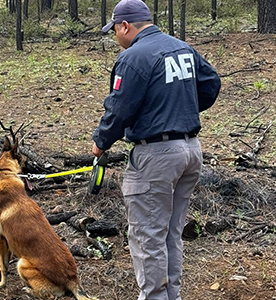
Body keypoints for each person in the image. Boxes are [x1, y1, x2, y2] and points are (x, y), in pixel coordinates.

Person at [91, 0, 221, 299]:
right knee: (170, 233)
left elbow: (120, 108)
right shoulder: (181, 48)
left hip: (157, 157)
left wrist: (101, 141)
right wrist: (180, 107)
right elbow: (211, 83)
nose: (115, 37)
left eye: (115, 30)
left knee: (148, 236)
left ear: (125, 26)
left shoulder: (134, 57)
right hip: (190, 150)